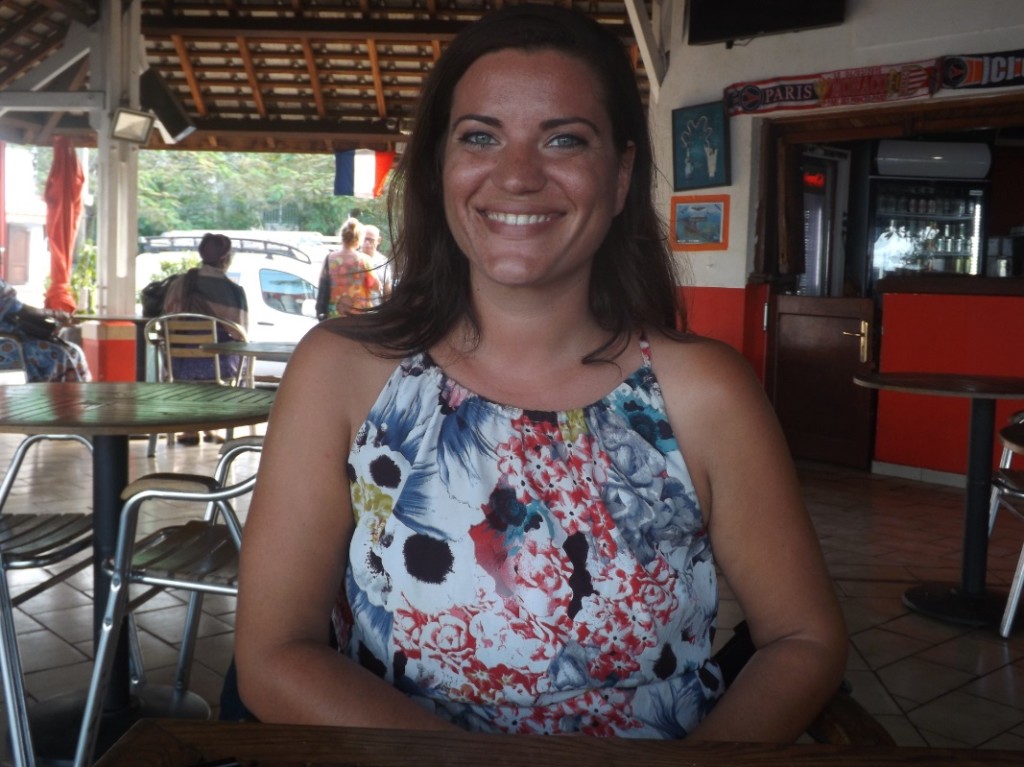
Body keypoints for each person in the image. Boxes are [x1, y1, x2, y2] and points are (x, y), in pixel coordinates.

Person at [236, 4, 846, 742]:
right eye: (480, 137)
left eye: (564, 139)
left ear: (620, 176)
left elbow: (804, 638)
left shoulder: (704, 392)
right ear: (440, 168)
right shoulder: (341, 372)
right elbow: (273, 653)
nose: (518, 175)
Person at [162, 232, 248, 444]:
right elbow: (240, 333)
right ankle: (211, 425)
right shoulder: (233, 291)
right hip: (218, 366)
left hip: (179, 364)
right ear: (225, 259)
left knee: (196, 361)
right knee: (230, 354)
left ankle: (190, 429)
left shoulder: (180, 284)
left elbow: (165, 320)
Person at [0, 278, 90, 382]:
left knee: (74, 351)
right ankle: (56, 392)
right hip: (7, 341)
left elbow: (17, 309)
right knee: (58, 354)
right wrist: (54, 314)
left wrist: (52, 318)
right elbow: (19, 309)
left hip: (13, 337)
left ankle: (74, 392)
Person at [315, 217, 382, 319]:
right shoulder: (364, 260)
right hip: (359, 317)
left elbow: (322, 285)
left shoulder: (329, 259)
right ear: (359, 239)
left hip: (334, 317)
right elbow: (376, 287)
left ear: (342, 237)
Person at [359, 224, 392, 303]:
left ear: (378, 240)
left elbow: (387, 292)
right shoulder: (352, 260)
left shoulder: (383, 262)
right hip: (355, 309)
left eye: (371, 240)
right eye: (364, 239)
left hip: (376, 309)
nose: (367, 243)